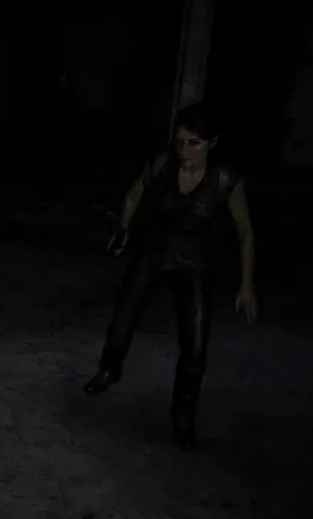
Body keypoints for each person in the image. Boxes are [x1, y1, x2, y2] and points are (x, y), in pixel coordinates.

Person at [83, 103, 257, 450]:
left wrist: (246, 285)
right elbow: (135, 192)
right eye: (180, 142)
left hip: (196, 264)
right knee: (122, 318)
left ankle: (183, 416)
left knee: (195, 346)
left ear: (212, 143)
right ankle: (109, 368)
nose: (185, 150)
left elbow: (245, 233)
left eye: (194, 143)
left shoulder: (225, 180)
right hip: (155, 250)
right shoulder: (164, 163)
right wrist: (124, 227)